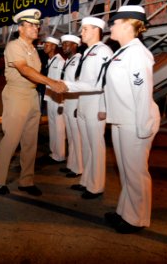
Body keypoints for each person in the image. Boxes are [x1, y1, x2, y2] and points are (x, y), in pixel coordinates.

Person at [0, 8, 68, 196]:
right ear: (21, 28)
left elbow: (33, 74)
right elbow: (24, 70)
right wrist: (51, 83)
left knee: (30, 142)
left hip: (32, 95)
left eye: (37, 25)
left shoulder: (33, 49)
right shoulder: (14, 46)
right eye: (31, 25)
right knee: (11, 140)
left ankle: (26, 181)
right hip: (16, 96)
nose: (36, 28)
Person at [102, 5, 160, 233]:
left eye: (114, 23)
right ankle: (125, 212)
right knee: (126, 172)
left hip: (135, 120)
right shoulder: (123, 51)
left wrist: (143, 126)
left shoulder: (137, 54)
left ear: (127, 25)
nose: (111, 27)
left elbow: (142, 92)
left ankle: (136, 219)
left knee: (136, 173)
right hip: (121, 119)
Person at [69, 17, 113, 199]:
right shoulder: (88, 52)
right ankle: (86, 180)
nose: (81, 32)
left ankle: (96, 186)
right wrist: (79, 105)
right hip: (85, 103)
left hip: (96, 104)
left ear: (96, 30)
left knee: (96, 146)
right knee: (87, 145)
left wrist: (104, 107)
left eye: (85, 29)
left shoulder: (103, 51)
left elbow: (104, 83)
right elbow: (83, 81)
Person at [59, 34, 83, 178]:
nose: (64, 46)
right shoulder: (69, 60)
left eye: (67, 43)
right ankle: (72, 164)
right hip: (68, 101)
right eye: (63, 44)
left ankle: (79, 167)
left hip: (75, 101)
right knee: (71, 136)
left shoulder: (80, 60)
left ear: (75, 45)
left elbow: (81, 83)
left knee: (76, 136)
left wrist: (79, 105)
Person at [42, 36, 67, 164]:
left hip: (58, 100)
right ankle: (54, 152)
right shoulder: (50, 60)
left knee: (59, 127)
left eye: (47, 45)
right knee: (52, 126)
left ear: (53, 46)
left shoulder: (60, 62)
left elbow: (62, 83)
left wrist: (62, 102)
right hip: (50, 98)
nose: (44, 47)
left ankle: (60, 155)